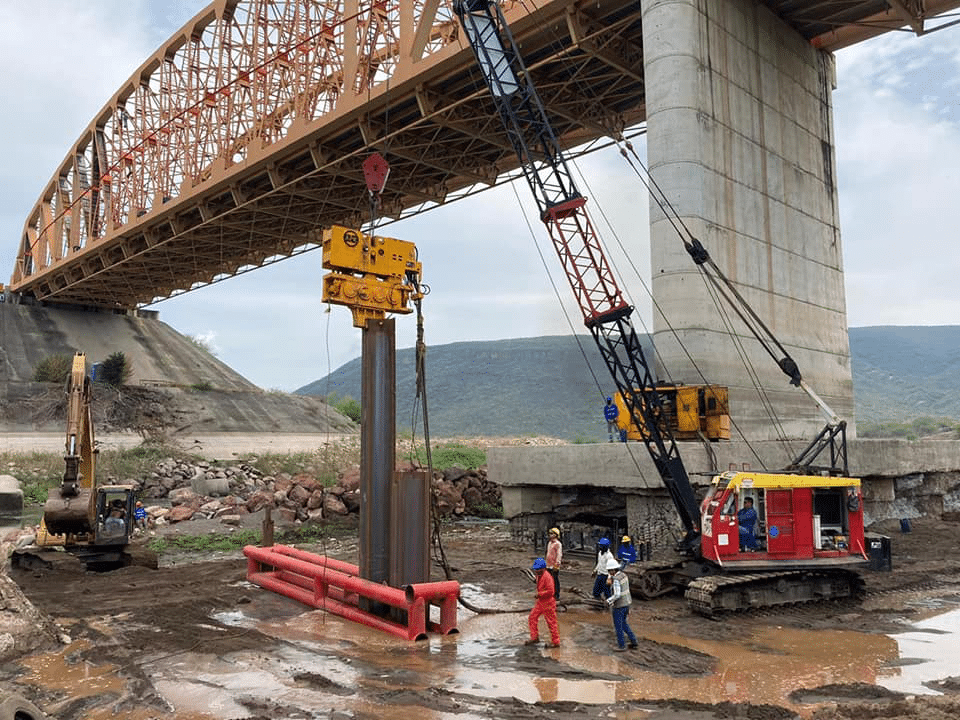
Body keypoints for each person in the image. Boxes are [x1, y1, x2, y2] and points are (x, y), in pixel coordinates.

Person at [526, 557, 560, 648]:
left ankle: (555, 642)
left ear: (543, 568)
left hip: (548, 602)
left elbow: (551, 591)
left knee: (551, 622)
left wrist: (540, 594)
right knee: (532, 617)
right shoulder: (539, 576)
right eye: (535, 569)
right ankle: (534, 637)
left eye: (538, 569)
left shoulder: (547, 577)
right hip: (541, 601)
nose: (536, 571)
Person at [605, 557, 638, 651]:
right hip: (627, 604)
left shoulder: (616, 579)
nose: (609, 573)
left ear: (613, 570)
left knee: (618, 627)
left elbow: (617, 594)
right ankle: (634, 642)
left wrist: (608, 601)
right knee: (624, 624)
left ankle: (621, 646)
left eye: (609, 571)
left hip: (619, 606)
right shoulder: (623, 575)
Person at [545, 527, 563, 600]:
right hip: (548, 565)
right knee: (548, 580)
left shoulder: (558, 544)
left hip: (554, 565)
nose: (550, 535)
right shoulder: (549, 543)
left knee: (555, 580)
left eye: (552, 534)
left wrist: (557, 564)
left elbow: (559, 555)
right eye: (550, 533)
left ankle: (556, 594)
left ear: (556, 535)